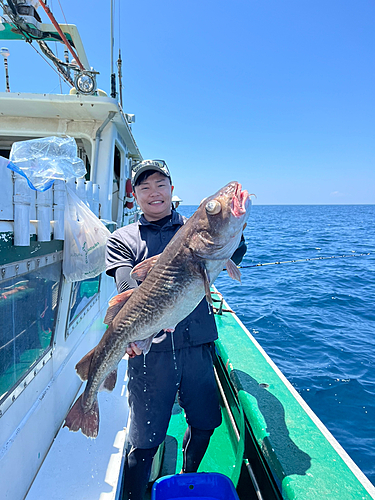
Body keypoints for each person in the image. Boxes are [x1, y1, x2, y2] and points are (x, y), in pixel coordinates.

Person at [105, 160, 247, 500]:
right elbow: (125, 281)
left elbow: (235, 255)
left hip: (197, 344)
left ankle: (187, 476)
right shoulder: (122, 238)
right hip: (149, 354)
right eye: (144, 187)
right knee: (145, 442)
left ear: (171, 189)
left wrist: (235, 228)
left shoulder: (192, 228)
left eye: (160, 185)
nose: (154, 193)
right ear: (135, 195)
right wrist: (133, 332)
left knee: (204, 423)